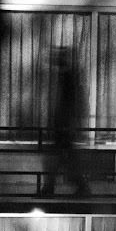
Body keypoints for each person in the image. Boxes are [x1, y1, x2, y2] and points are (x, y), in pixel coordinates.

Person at [41, 46, 90, 196]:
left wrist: (65, 125)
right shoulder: (68, 76)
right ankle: (79, 187)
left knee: (57, 159)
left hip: (64, 126)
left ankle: (50, 188)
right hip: (64, 126)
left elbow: (68, 103)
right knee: (63, 159)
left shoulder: (67, 77)